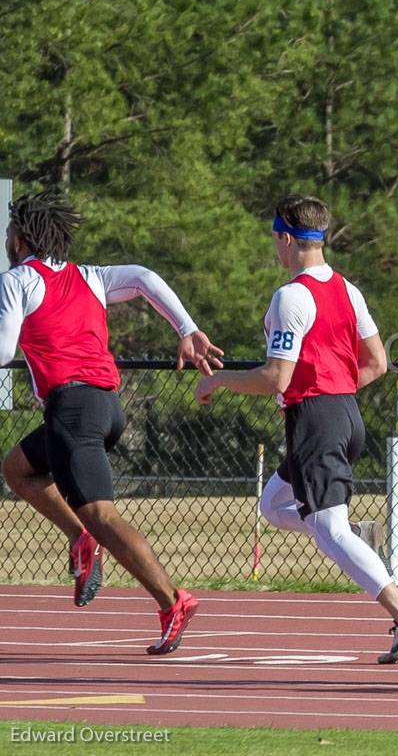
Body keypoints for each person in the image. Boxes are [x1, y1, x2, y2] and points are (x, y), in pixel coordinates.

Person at [194, 195, 398, 664]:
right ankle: (350, 534)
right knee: (273, 505)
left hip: (316, 418)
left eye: (274, 240)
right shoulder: (348, 289)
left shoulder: (291, 296)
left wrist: (219, 380)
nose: (275, 249)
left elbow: (275, 378)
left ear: (286, 238)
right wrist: (336, 393)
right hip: (342, 413)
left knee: (327, 528)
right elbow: (378, 362)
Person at [0, 191, 223, 655]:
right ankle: (81, 539)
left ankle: (172, 600)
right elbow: (143, 277)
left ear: (20, 239)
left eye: (7, 233)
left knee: (104, 516)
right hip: (106, 408)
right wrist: (186, 328)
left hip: (74, 412)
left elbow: (3, 352)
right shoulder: (90, 276)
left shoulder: (18, 280)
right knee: (18, 469)